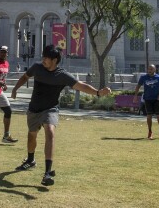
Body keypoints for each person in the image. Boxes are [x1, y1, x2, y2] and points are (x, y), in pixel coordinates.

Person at [10, 44, 111, 186]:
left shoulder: (62, 75)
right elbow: (25, 76)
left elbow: (80, 85)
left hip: (50, 109)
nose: (43, 59)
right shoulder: (37, 68)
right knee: (32, 135)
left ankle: (47, 173)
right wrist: (15, 89)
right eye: (43, 56)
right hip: (34, 109)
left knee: (50, 132)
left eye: (47, 57)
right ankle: (30, 160)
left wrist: (98, 93)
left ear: (55, 60)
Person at [134, 64, 159, 139]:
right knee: (149, 116)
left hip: (156, 99)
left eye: (151, 69)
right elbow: (138, 86)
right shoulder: (143, 77)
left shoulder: (158, 78)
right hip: (147, 99)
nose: (149, 70)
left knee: (158, 115)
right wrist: (135, 96)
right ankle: (150, 132)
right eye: (148, 69)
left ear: (154, 70)